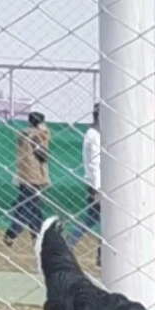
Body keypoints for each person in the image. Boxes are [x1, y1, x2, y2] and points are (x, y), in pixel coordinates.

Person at [3, 110, 49, 246]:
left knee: (34, 207)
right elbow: (43, 155)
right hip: (34, 176)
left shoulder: (22, 134)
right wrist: (43, 132)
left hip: (23, 174)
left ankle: (37, 235)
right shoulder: (38, 135)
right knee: (28, 207)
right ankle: (11, 233)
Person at [66, 103, 101, 260]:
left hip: (97, 183)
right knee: (93, 219)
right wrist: (98, 188)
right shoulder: (94, 136)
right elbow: (95, 163)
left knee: (93, 219)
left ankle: (101, 253)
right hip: (97, 184)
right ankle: (70, 242)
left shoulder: (95, 134)